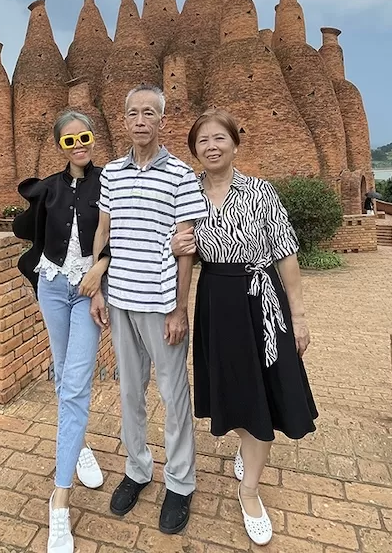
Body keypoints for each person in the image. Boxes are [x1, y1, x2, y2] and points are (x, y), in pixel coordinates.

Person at [172, 108, 318, 546]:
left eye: (219, 138)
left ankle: (250, 490)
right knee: (231, 391)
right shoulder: (189, 195)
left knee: (266, 394)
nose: (211, 146)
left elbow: (286, 253)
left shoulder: (260, 191)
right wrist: (177, 245)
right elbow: (182, 256)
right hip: (216, 299)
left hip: (261, 298)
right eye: (203, 141)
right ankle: (245, 443)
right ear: (195, 151)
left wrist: (299, 315)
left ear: (235, 143)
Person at [91, 85, 208, 535]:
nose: (140, 120)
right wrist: (98, 289)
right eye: (133, 113)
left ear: (162, 120)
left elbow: (186, 250)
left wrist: (179, 308)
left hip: (160, 306)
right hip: (119, 299)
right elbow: (104, 231)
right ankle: (138, 469)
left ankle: (180, 481)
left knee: (174, 395)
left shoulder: (179, 174)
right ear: (124, 119)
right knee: (129, 393)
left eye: (149, 113)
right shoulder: (113, 174)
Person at [13, 110, 110, 553]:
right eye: (69, 141)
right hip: (52, 289)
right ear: (60, 146)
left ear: (93, 139)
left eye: (84, 137)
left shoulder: (107, 183)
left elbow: (116, 238)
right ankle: (81, 444)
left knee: (75, 386)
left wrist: (100, 275)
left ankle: (60, 500)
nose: (79, 146)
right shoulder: (48, 188)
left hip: (88, 291)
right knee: (64, 378)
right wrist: (31, 206)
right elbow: (25, 234)